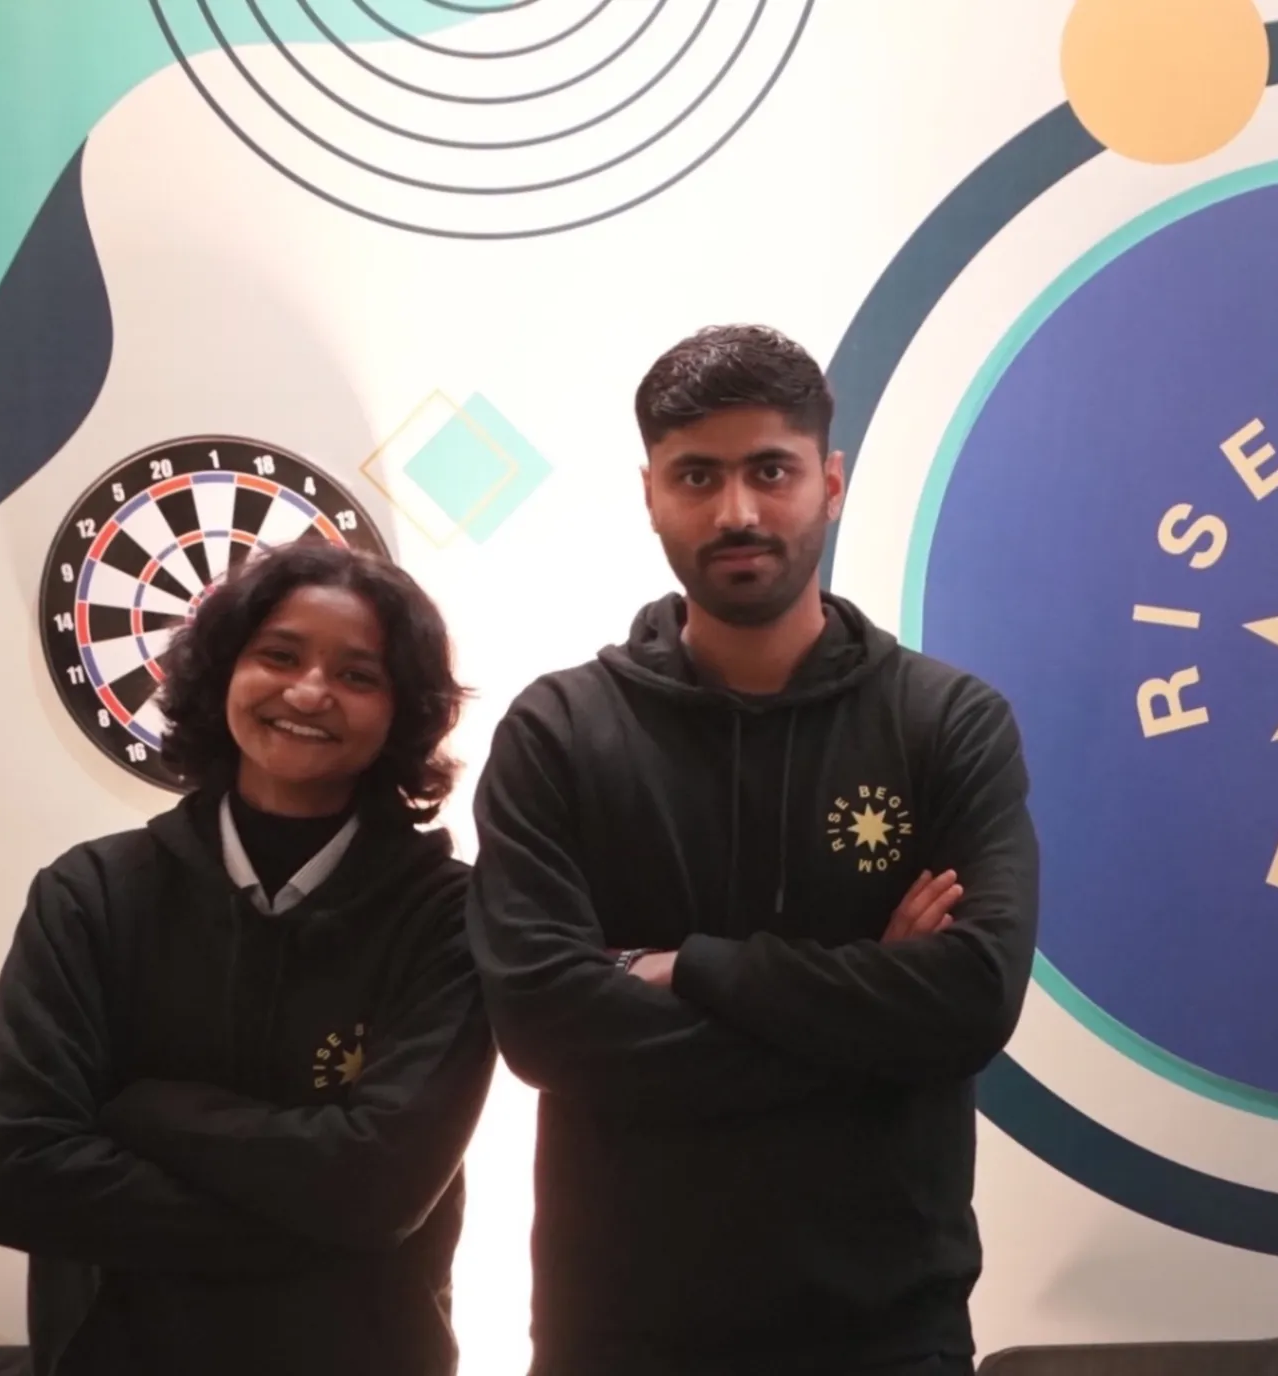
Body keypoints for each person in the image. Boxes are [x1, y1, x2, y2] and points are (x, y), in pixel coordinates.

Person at [468, 324, 1037, 1374]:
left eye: (770, 470)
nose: (736, 511)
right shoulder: (559, 731)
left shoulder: (946, 722)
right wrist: (870, 1015)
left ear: (831, 482)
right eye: (698, 475)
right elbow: (547, 1027)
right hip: (619, 1337)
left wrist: (690, 967)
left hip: (886, 1334)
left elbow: (969, 1002)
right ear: (650, 494)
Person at [0, 540, 492, 1376]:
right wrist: (323, 1222)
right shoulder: (90, 895)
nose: (309, 691)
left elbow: (379, 1188)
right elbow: (15, 1179)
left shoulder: (451, 918)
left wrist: (145, 1111)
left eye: (358, 675)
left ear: (404, 713)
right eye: (278, 656)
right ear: (221, 675)